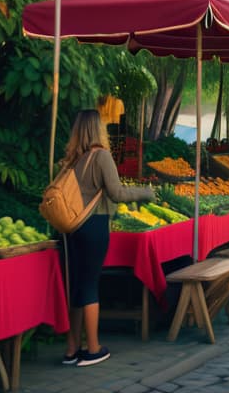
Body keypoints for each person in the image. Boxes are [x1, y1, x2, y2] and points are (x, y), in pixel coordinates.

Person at [60, 110, 154, 367]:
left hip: (69, 228)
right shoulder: (100, 155)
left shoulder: (71, 159)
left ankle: (71, 350)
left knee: (76, 286)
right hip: (94, 225)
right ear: (97, 129)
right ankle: (93, 348)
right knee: (90, 285)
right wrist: (145, 192)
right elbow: (116, 193)